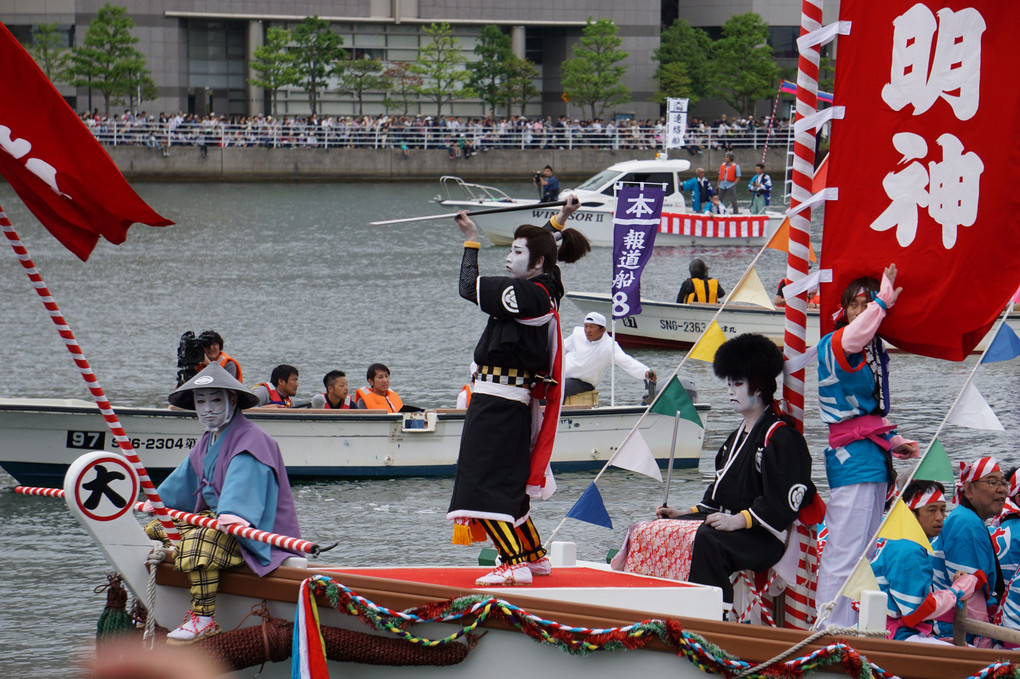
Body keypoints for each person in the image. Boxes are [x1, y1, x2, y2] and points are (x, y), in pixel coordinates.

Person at [447, 195, 590, 586]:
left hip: (498, 401)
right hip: (509, 400)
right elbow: (543, 245)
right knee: (507, 484)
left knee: (482, 483)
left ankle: (514, 563)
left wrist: (471, 239)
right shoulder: (548, 286)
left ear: (537, 261)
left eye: (515, 251)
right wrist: (560, 218)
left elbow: (466, 287)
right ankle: (533, 555)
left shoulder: (525, 295)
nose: (509, 258)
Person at [655, 334, 819, 605]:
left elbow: (782, 505)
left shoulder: (781, 437)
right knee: (660, 527)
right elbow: (716, 498)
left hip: (764, 535)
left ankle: (715, 616)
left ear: (759, 388)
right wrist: (681, 513)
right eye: (729, 384)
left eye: (738, 384)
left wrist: (737, 521)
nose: (730, 390)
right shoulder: (734, 438)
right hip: (728, 525)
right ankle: (665, 605)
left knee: (708, 540)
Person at [143, 363, 300, 643]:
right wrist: (158, 503)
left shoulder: (252, 441)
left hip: (250, 527)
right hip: (215, 516)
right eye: (200, 401)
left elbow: (244, 484)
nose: (208, 408)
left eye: (216, 399)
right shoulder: (208, 439)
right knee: (156, 528)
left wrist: (232, 514)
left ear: (233, 400)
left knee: (201, 539)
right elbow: (185, 478)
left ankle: (204, 617)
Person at [815, 264, 919, 628]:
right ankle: (828, 629)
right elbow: (856, 335)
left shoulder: (871, 346)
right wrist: (882, 302)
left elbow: (869, 413)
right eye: (854, 304)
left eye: (866, 303)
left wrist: (894, 441)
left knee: (866, 551)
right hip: (852, 459)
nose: (861, 311)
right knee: (845, 551)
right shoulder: (837, 341)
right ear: (843, 310)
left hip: (871, 456)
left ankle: (853, 628)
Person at [870, 480, 978, 644]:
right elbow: (916, 611)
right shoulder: (907, 549)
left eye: (942, 510)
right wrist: (957, 591)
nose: (940, 518)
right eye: (931, 510)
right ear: (912, 515)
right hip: (897, 636)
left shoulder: (902, 542)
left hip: (893, 631)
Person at [931, 457, 1007, 644]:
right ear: (970, 489)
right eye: (992, 482)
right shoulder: (966, 523)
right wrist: (984, 642)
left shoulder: (967, 518)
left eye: (1003, 483)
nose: (1002, 489)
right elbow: (969, 594)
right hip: (953, 631)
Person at [562, 311, 655, 398]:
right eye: (586, 326)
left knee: (560, 388)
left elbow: (626, 362)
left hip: (582, 383)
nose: (587, 330)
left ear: (602, 330)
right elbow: (561, 349)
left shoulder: (610, 345)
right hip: (562, 375)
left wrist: (645, 372)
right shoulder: (578, 333)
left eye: (591, 327)